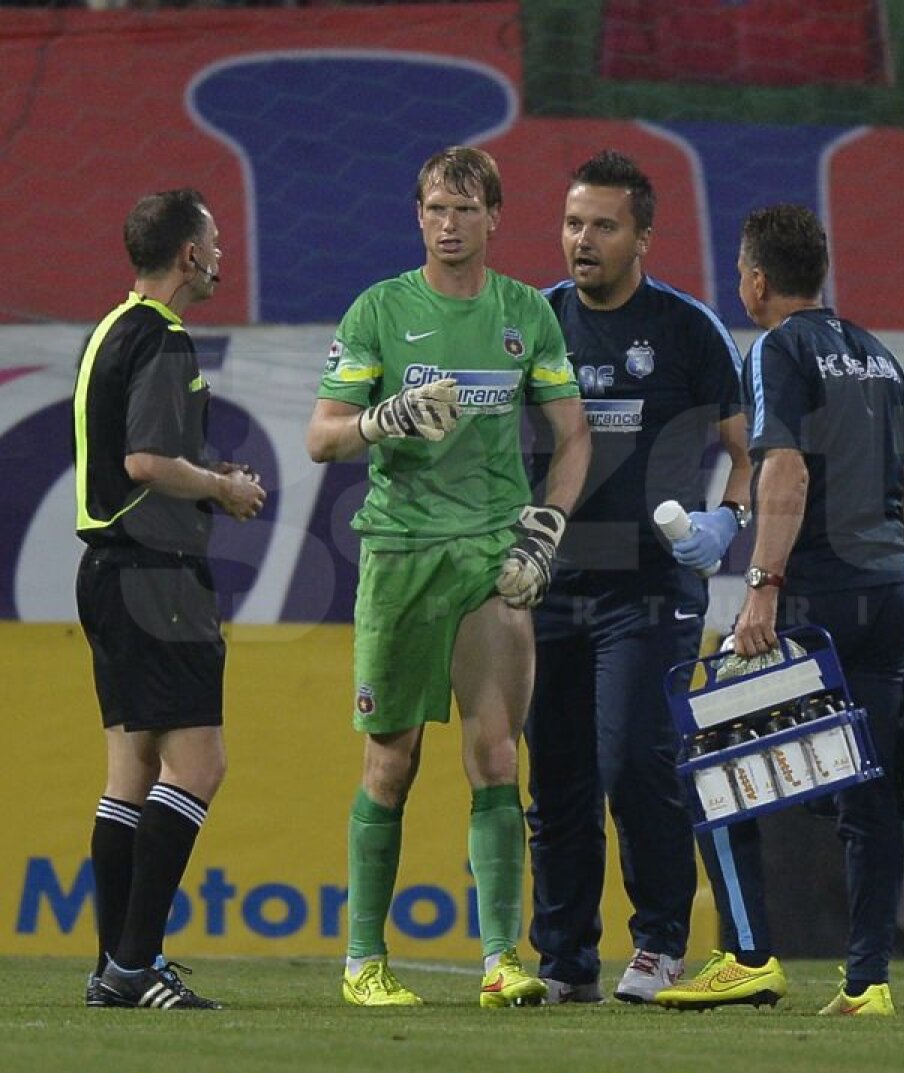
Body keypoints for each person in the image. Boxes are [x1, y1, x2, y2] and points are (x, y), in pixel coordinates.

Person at [305, 146, 590, 1009]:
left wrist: (545, 529)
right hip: (399, 553)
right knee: (391, 761)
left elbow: (573, 435)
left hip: (489, 553)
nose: (448, 222)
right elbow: (322, 435)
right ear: (418, 215)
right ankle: (363, 960)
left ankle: (503, 958)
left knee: (498, 753)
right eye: (435, 207)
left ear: (495, 217)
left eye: (465, 209)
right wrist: (382, 415)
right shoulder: (380, 311)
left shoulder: (525, 316)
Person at [657, 204, 904, 1014]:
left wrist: (762, 586)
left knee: (712, 756)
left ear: (755, 280)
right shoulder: (876, 356)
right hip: (886, 594)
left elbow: (783, 472)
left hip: (818, 597)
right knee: (867, 791)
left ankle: (748, 955)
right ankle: (868, 981)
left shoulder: (776, 349)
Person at [524, 149, 751, 1004]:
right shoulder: (534, 320)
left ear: (644, 236)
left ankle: (659, 941)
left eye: (603, 225)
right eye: (574, 223)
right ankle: (564, 960)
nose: (582, 240)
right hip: (546, 588)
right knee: (557, 782)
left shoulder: (690, 330)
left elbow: (745, 455)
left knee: (634, 765)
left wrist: (726, 522)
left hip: (649, 590)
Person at [75, 188, 266, 1010]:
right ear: (190, 254)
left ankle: (115, 969)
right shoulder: (162, 337)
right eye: (215, 239)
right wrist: (224, 487)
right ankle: (134, 960)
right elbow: (150, 461)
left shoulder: (111, 328)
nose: (222, 251)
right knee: (200, 764)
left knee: (129, 774)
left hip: (111, 572)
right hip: (156, 573)